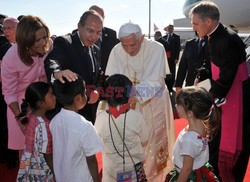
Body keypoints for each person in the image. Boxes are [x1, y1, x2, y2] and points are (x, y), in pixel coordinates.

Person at [105, 22, 176, 181]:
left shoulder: (157, 48)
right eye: (125, 45)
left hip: (153, 102)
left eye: (133, 44)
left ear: (142, 38)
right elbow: (113, 78)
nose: (129, 49)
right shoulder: (117, 50)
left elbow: (156, 81)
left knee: (153, 142)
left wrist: (132, 93)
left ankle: (154, 176)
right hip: (129, 104)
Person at [190, 1, 250, 181]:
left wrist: (210, 96)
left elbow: (227, 75)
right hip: (223, 95)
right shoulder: (214, 36)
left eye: (195, 23)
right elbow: (210, 63)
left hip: (234, 98)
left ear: (208, 21)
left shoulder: (228, 40)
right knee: (217, 139)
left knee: (233, 141)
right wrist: (201, 76)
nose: (193, 28)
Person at [1, 15, 52, 159]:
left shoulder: (49, 44)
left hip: (44, 104)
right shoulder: (10, 57)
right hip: (19, 108)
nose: (44, 43)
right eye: (38, 40)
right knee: (25, 153)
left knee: (48, 147)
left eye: (45, 37)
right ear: (26, 41)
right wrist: (20, 118)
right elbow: (9, 93)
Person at [45, 10, 103, 124]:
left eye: (98, 33)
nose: (94, 37)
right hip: (67, 116)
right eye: (90, 31)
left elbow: (98, 75)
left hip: (89, 113)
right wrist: (57, 72)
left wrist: (96, 90)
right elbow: (52, 60)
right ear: (79, 26)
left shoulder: (96, 49)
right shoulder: (65, 42)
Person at [95, 74, 148, 181]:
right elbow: (145, 139)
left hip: (111, 169)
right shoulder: (136, 116)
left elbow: (97, 141)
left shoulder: (101, 117)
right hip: (134, 167)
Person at [51, 77, 103, 182]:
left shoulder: (55, 121)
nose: (86, 95)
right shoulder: (85, 126)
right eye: (85, 93)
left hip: (62, 176)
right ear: (78, 98)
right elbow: (91, 159)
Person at [165, 87, 219, 181]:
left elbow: (186, 169)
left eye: (179, 104)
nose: (176, 106)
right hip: (200, 171)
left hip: (189, 177)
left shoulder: (189, 140)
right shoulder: (203, 125)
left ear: (190, 113)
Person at [16, 82, 56, 181]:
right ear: (40, 103)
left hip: (30, 164)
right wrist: (55, 172)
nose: (55, 97)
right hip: (42, 169)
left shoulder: (31, 116)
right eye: (51, 95)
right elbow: (47, 154)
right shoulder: (44, 125)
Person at [0, 17, 19, 168]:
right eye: (4, 28)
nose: (6, 31)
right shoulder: (2, 48)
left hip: (19, 96)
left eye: (10, 28)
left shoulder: (26, 47)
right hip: (4, 93)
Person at [89, 5, 118, 73]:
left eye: (102, 17)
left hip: (106, 75)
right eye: (96, 17)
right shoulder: (78, 33)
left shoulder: (111, 34)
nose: (99, 20)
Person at [163, 25, 181, 93]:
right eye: (169, 28)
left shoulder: (176, 37)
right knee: (166, 73)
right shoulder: (164, 37)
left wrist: (177, 58)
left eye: (171, 28)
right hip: (165, 59)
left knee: (172, 73)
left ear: (173, 29)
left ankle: (171, 87)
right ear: (167, 29)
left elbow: (178, 48)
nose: (170, 29)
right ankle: (167, 86)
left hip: (173, 59)